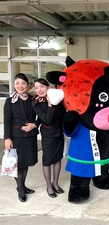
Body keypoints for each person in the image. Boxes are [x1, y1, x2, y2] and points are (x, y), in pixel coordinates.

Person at [3, 73, 40, 202]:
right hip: (16, 137)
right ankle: (20, 189)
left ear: (28, 86)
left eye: (23, 83)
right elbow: (7, 121)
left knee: (26, 162)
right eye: (17, 83)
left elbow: (41, 115)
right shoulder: (10, 101)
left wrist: (34, 125)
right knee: (17, 164)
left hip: (30, 137)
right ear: (14, 85)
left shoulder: (33, 100)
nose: (20, 86)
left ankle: (22, 185)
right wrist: (7, 138)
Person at [32, 78, 65, 198]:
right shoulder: (36, 103)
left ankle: (55, 183)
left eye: (42, 86)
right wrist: (50, 105)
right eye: (36, 88)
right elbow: (47, 119)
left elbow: (62, 114)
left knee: (57, 158)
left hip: (59, 133)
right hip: (48, 135)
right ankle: (49, 186)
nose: (39, 90)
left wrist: (54, 101)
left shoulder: (57, 98)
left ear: (47, 87)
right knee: (47, 160)